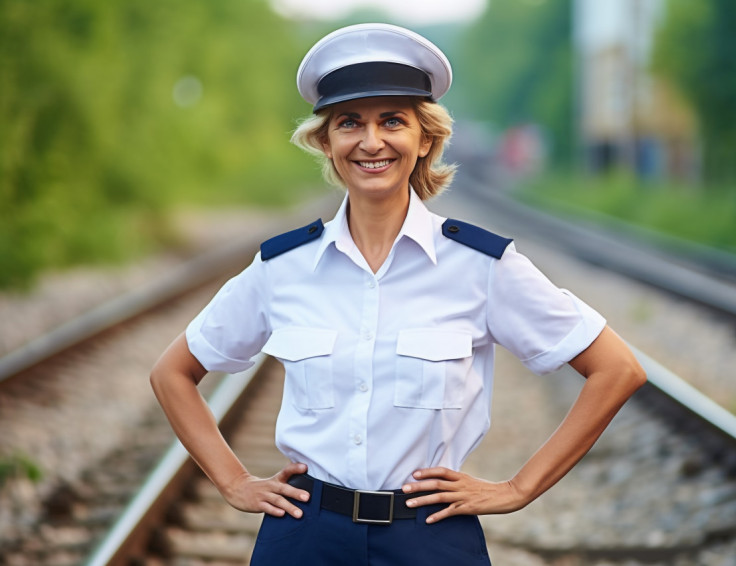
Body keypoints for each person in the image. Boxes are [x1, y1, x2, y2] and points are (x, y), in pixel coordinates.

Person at [150, 23, 646, 565]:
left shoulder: (480, 266)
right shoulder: (283, 267)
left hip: (430, 537)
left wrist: (518, 488)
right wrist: (233, 481)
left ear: (425, 138)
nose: (371, 142)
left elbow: (617, 369)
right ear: (326, 141)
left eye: (392, 121)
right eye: (349, 123)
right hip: (305, 536)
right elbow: (172, 373)